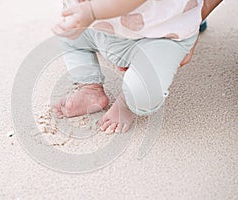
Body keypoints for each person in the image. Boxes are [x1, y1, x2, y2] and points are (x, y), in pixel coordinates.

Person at [52, 0, 223, 133]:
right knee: (70, 38)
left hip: (160, 33)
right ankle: (90, 89)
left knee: (145, 92)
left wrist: (91, 11)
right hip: (99, 27)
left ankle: (126, 103)